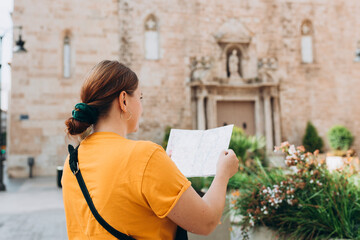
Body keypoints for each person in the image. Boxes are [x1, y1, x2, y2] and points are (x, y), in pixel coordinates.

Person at [62, 60, 239, 240]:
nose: (141, 106)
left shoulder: (71, 163)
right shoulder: (145, 156)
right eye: (140, 98)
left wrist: (167, 171)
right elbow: (206, 222)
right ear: (123, 100)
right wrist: (223, 173)